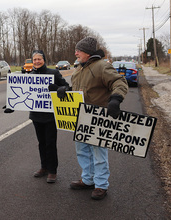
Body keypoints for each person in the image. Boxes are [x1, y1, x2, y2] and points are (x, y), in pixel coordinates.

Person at [59, 37, 128, 199]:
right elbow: (78, 91)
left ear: (88, 52)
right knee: (82, 151)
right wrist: (65, 90)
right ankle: (87, 179)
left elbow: (119, 82)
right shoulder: (79, 69)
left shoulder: (101, 66)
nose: (75, 53)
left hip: (98, 119)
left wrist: (116, 99)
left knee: (98, 153)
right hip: (80, 118)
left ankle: (101, 185)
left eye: (79, 50)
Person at [29, 50, 69, 183]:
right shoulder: (30, 75)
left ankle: (52, 171)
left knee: (50, 143)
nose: (37, 62)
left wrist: (58, 88)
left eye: (39, 59)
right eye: (34, 60)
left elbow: (67, 87)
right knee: (41, 143)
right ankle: (44, 167)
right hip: (36, 115)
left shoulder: (54, 73)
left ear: (44, 60)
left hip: (51, 116)